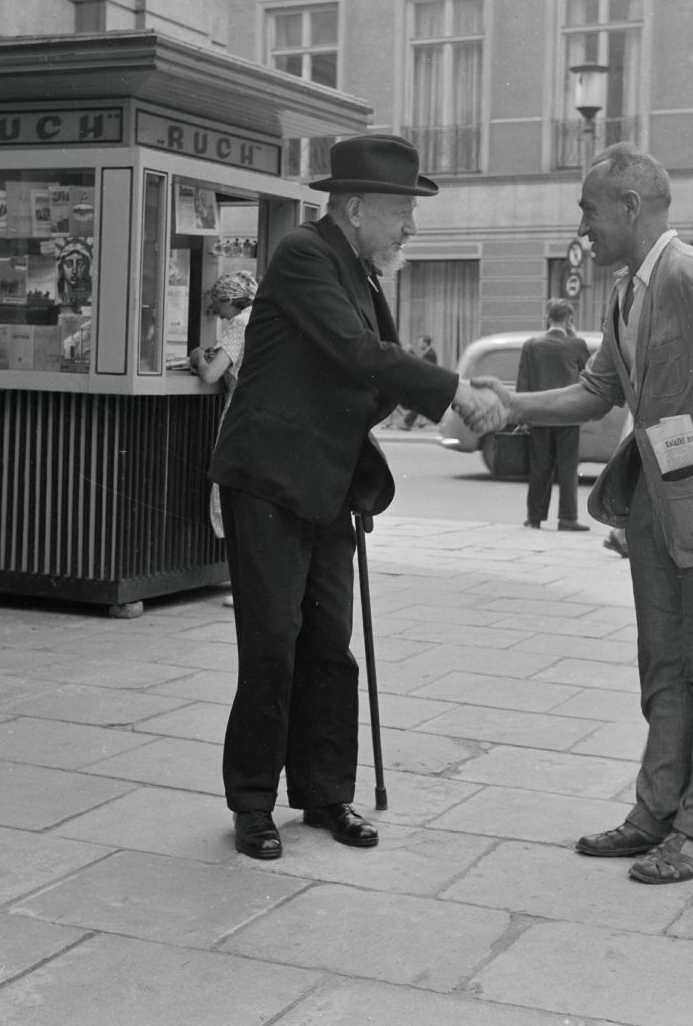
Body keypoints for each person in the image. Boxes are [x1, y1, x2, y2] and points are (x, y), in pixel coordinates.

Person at [462, 143, 693, 884]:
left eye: (589, 209)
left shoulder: (690, 275)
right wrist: (511, 405)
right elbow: (596, 393)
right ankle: (656, 811)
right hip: (660, 498)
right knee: (662, 665)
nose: (582, 225)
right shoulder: (626, 291)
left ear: (629, 204)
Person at [208, 134, 499, 861]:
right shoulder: (305, 255)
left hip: (328, 485)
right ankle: (252, 802)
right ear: (359, 207)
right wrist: (458, 392)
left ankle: (325, 792)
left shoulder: (364, 274)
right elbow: (359, 355)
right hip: (271, 482)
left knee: (329, 649)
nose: (411, 228)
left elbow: (371, 376)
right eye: (403, 211)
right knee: (271, 649)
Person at [189, 271, 259, 580]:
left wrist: (197, 358)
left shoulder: (240, 324)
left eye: (219, 305)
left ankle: (239, 579)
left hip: (240, 412)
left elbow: (210, 375)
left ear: (232, 300)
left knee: (230, 489)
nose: (217, 312)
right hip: (263, 411)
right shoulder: (263, 317)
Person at [516, 299, 592, 530]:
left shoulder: (531, 345)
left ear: (548, 317)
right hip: (568, 416)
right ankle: (567, 518)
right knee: (567, 468)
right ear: (569, 319)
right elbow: (590, 375)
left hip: (539, 416)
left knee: (540, 468)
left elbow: (523, 384)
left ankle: (534, 518)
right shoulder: (576, 344)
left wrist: (523, 418)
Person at [400, 335, 440, 429]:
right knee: (421, 403)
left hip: (428, 383)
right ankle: (416, 422)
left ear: (426, 343)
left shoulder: (430, 354)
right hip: (428, 382)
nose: (419, 344)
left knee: (419, 403)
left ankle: (407, 423)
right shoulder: (429, 352)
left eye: (420, 342)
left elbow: (421, 365)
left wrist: (411, 351)